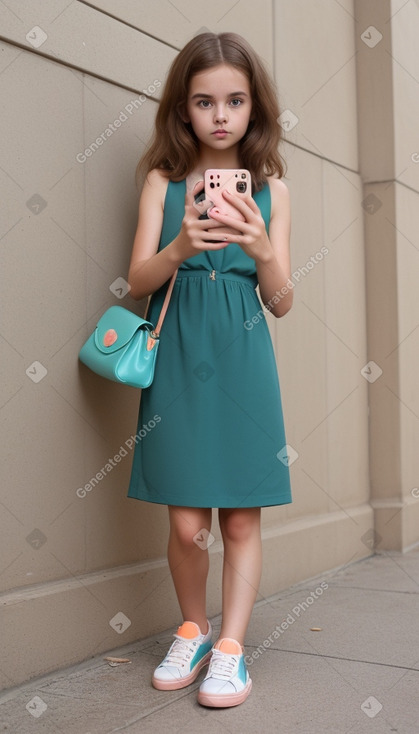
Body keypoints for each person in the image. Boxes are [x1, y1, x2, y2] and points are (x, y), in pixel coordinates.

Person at [126, 31, 293, 708]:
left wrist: (259, 247)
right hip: (178, 354)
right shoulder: (162, 182)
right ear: (182, 108)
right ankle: (192, 628)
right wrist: (178, 245)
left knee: (242, 521)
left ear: (253, 108)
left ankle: (231, 648)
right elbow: (138, 281)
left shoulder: (273, 189)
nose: (219, 115)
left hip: (245, 357)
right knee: (186, 521)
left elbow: (281, 302)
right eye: (203, 101)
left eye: (233, 100)